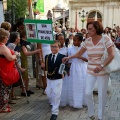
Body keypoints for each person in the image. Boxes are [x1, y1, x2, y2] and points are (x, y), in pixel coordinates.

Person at [62, 21, 114, 120]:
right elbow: (78, 54)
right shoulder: (87, 41)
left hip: (102, 71)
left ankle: (100, 117)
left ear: (97, 29)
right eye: (88, 28)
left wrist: (101, 65)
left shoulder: (105, 39)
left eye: (91, 29)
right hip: (90, 70)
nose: (88, 31)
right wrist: (68, 58)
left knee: (102, 96)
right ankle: (91, 114)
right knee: (87, 92)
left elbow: (112, 55)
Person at [61, 33, 88, 108]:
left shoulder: (84, 49)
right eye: (73, 40)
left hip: (81, 68)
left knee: (80, 84)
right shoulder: (70, 48)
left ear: (80, 41)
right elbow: (69, 61)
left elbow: (87, 59)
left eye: (75, 40)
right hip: (73, 68)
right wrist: (68, 69)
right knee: (72, 84)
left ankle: (80, 101)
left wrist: (81, 57)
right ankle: (72, 101)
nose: (73, 42)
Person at [41, 41, 66, 120]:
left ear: (59, 48)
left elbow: (65, 67)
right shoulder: (47, 57)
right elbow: (47, 68)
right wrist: (43, 66)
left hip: (58, 78)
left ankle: (54, 112)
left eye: (55, 47)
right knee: (49, 93)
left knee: (56, 95)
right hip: (49, 78)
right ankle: (53, 104)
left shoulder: (62, 57)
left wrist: (63, 72)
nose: (53, 48)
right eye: (52, 46)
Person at [0, 28, 19, 112]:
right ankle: (3, 106)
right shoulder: (2, 46)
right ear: (3, 37)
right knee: (4, 89)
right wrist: (16, 55)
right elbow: (10, 58)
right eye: (6, 37)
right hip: (5, 71)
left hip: (3, 70)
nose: (7, 38)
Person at [20, 29, 41, 97]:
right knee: (25, 75)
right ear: (24, 35)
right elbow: (26, 53)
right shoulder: (22, 42)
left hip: (30, 59)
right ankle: (23, 90)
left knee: (28, 75)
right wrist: (36, 51)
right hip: (25, 59)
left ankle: (27, 88)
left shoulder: (27, 41)